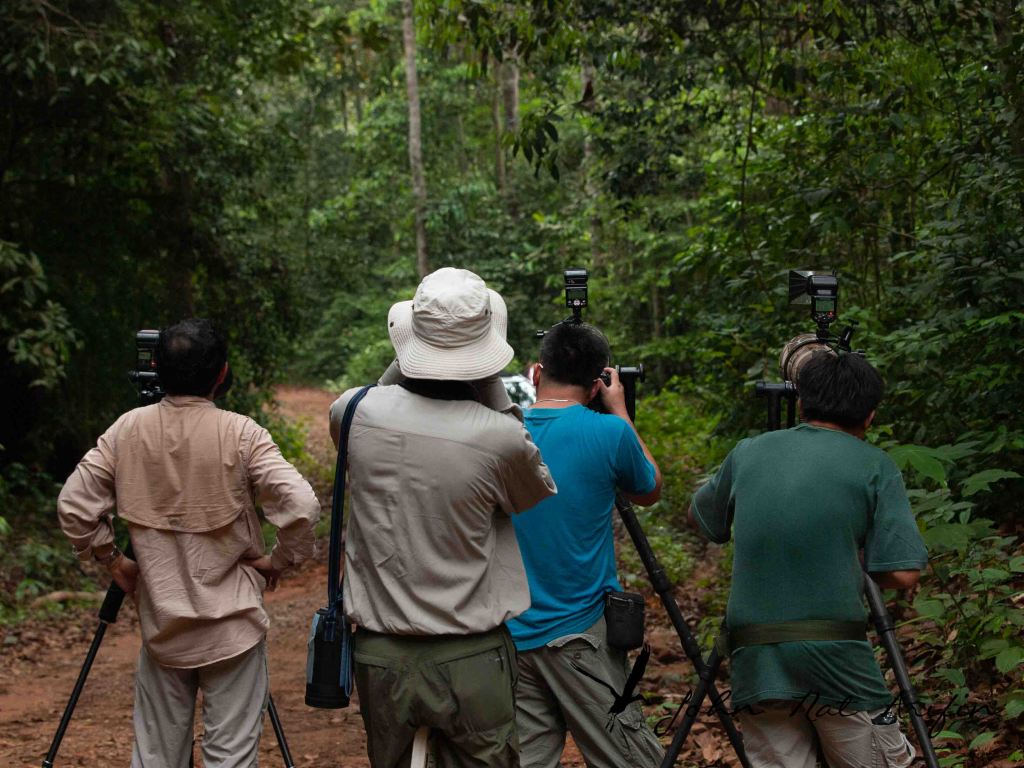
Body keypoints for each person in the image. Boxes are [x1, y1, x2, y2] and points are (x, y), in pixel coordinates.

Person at [58, 318, 320, 768]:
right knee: (231, 758)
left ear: (157, 367)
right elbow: (300, 504)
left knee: (157, 756)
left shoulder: (126, 430)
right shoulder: (243, 434)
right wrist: (280, 560)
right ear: (222, 374)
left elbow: (74, 505)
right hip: (233, 629)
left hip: (163, 626)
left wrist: (113, 559)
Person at [328, 267, 557, 768]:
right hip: (471, 657)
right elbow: (530, 493)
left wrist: (409, 356)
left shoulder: (352, 412)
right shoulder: (500, 439)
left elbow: (380, 392)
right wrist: (490, 386)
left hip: (380, 655)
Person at [689, 350, 927, 768]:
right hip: (837, 659)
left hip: (756, 658)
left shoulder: (747, 452)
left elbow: (701, 517)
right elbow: (904, 573)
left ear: (800, 403)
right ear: (869, 416)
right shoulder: (875, 465)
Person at [506, 321, 665, 768]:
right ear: (598, 385)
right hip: (581, 635)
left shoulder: (500, 436)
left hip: (509, 634)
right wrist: (621, 412)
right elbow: (649, 489)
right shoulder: (610, 434)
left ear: (536, 373)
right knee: (631, 759)